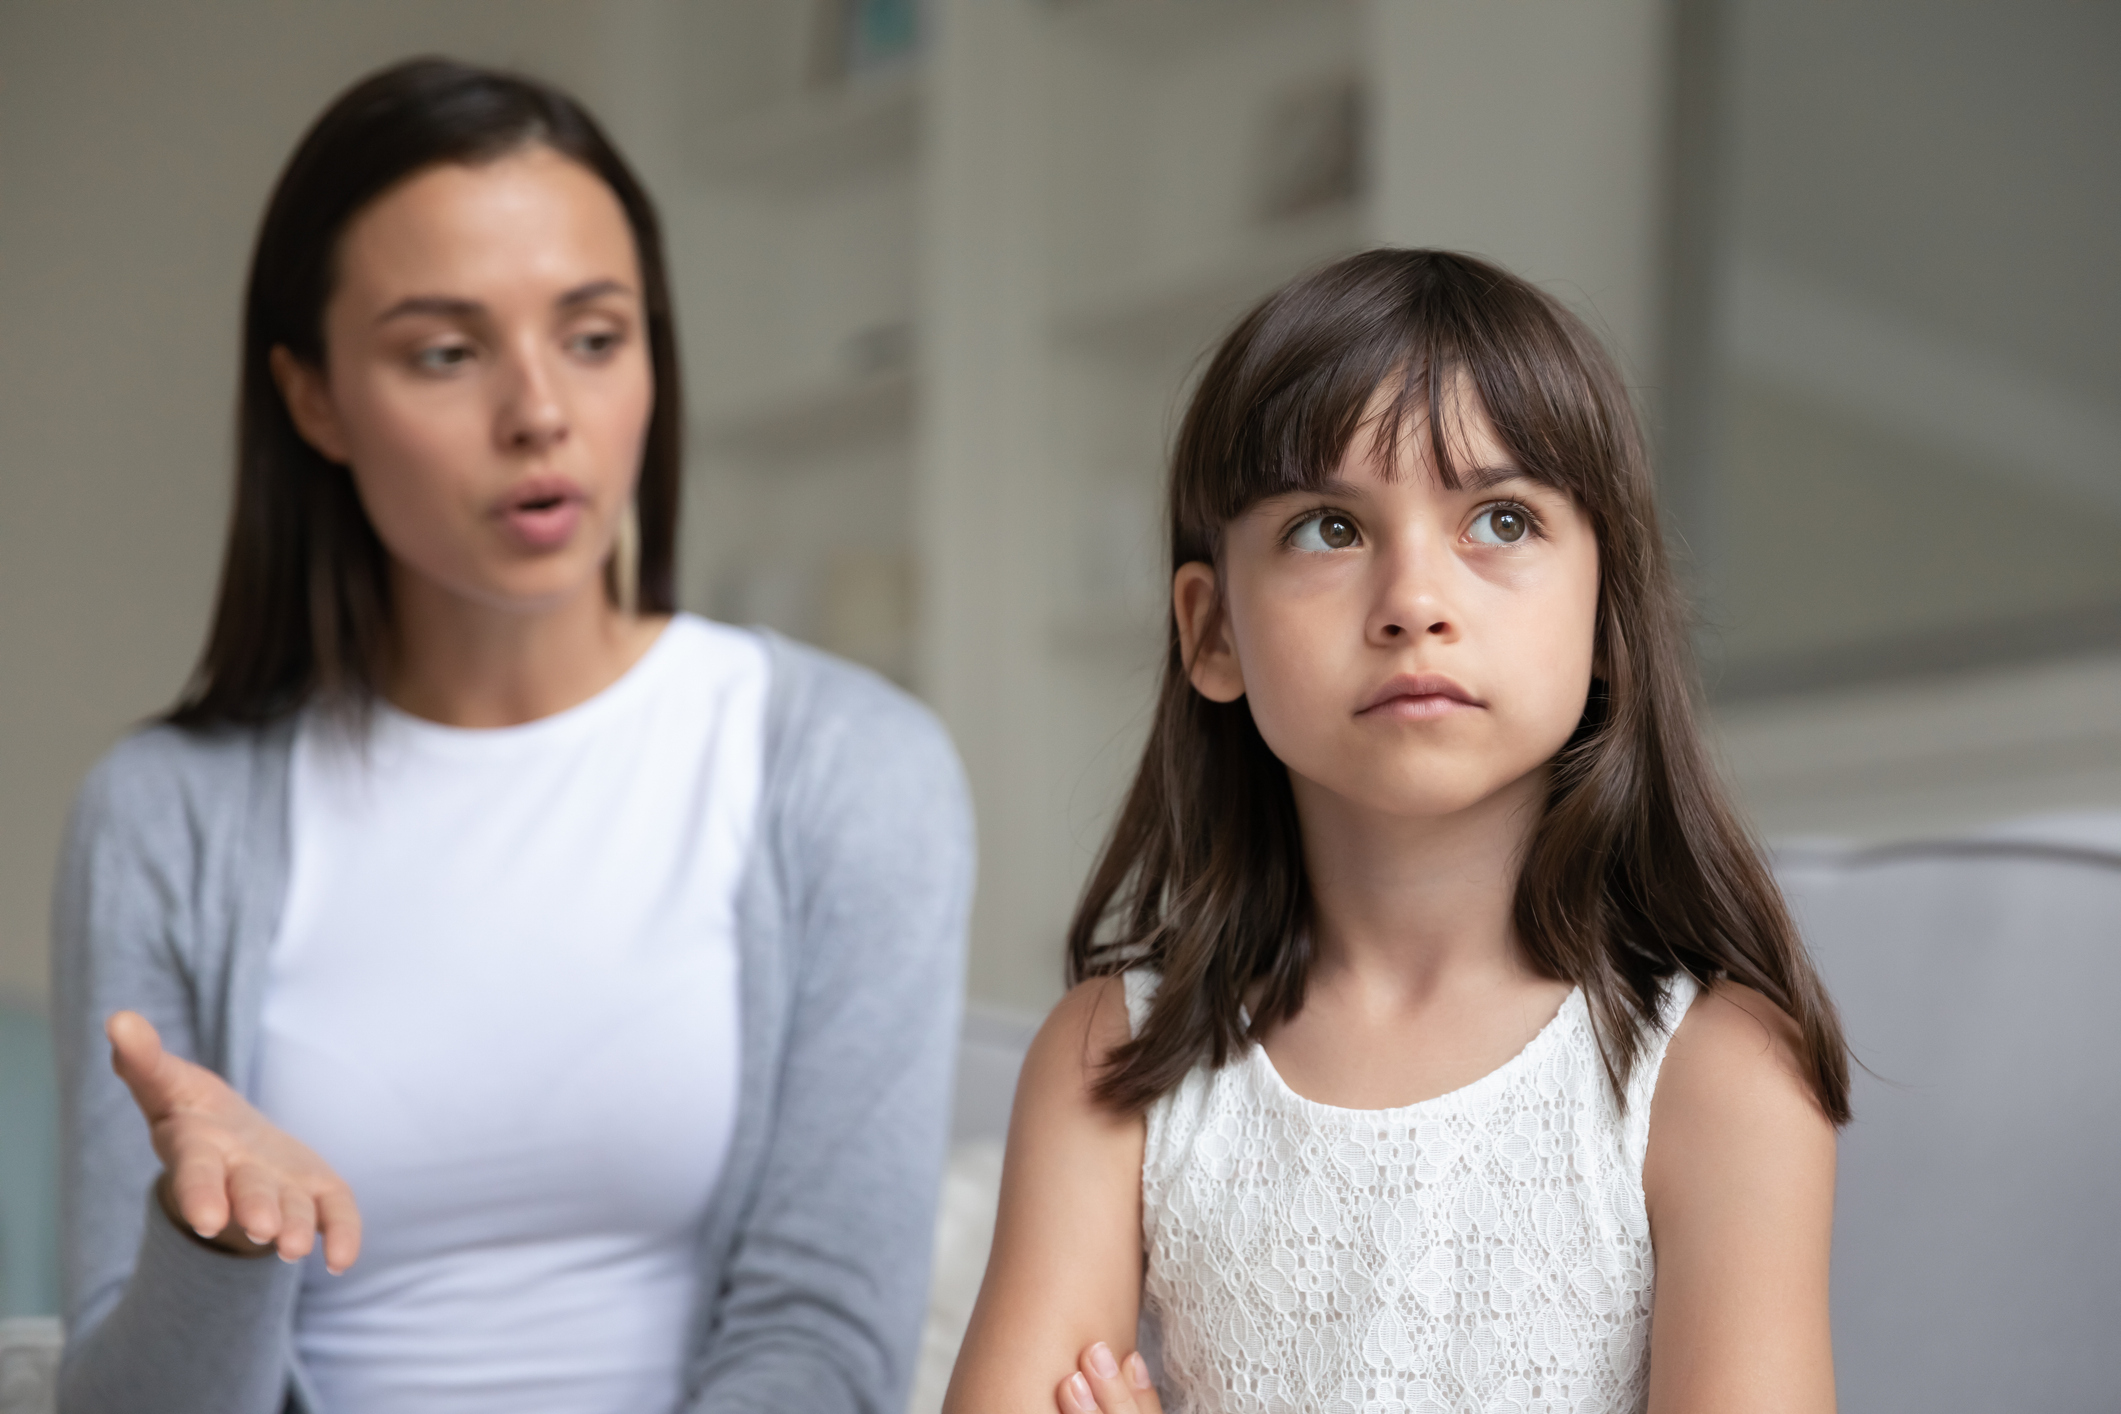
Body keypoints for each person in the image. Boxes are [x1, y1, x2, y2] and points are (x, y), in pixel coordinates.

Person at [51, 58, 972, 1414]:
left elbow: (821, 1344)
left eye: (594, 335)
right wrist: (222, 1239)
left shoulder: (851, 767)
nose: (540, 410)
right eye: (445, 350)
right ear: (313, 399)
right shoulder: (162, 813)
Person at [944, 250, 1849, 1414]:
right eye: (1329, 529)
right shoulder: (1110, 1067)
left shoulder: (1717, 1078)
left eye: (1502, 519)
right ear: (1211, 631)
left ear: (1607, 610)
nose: (1416, 599)